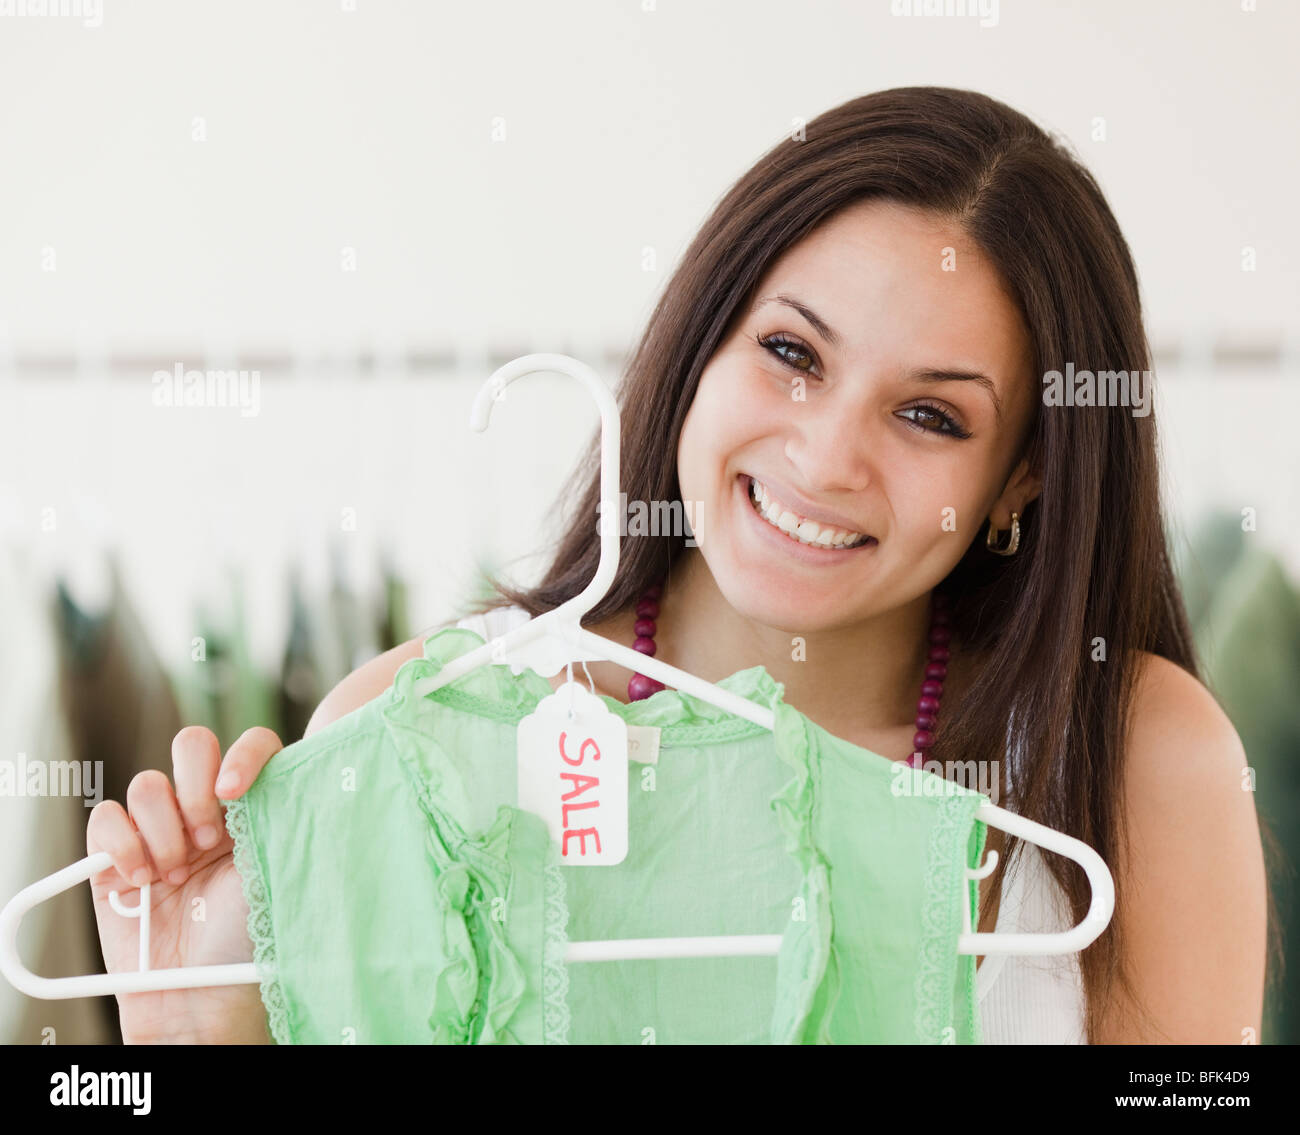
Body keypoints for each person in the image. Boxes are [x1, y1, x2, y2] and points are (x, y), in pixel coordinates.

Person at [87, 86, 1270, 1045]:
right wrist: (195, 1036)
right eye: (791, 353)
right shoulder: (411, 728)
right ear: (698, 346)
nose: (825, 457)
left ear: (1025, 478)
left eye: (931, 418)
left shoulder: (1134, 761)